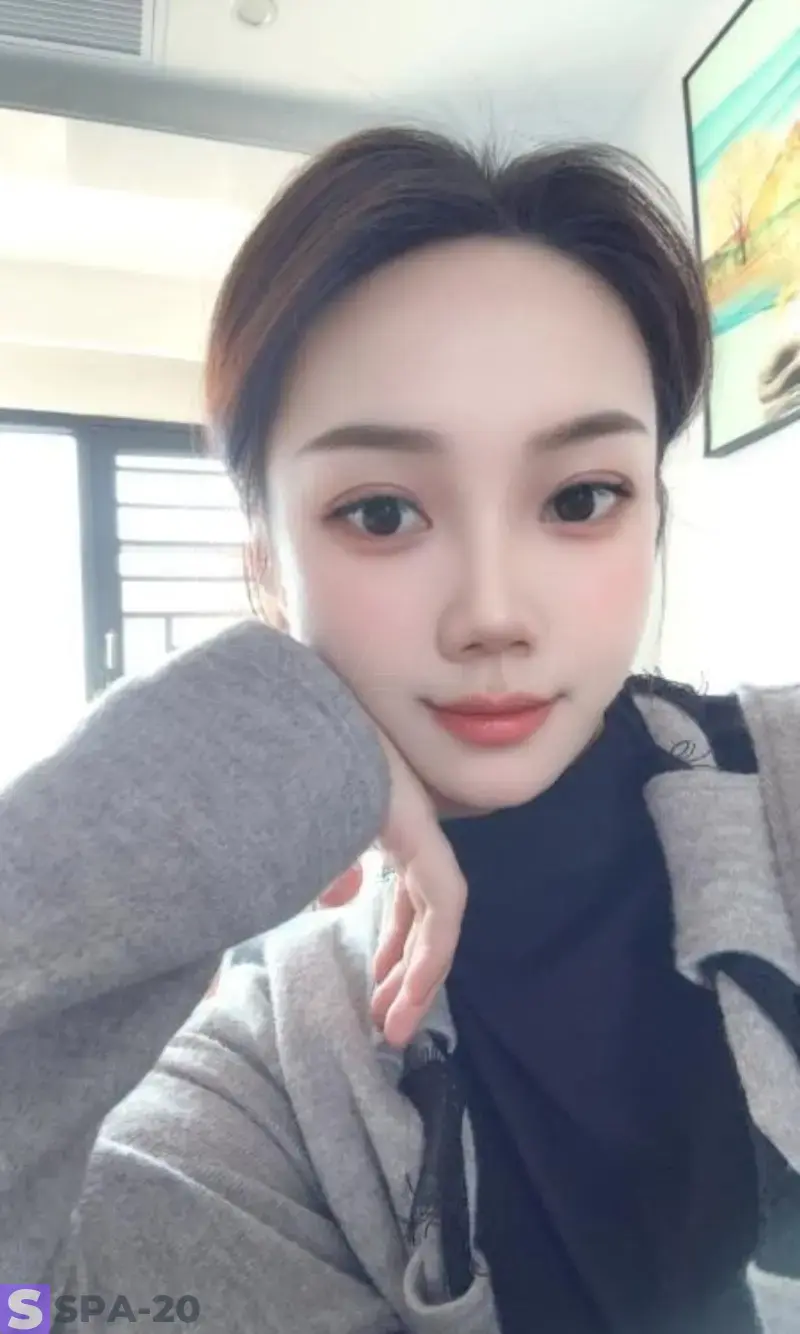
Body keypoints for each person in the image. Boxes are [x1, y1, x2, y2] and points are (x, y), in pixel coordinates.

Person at [2, 127, 800, 1334]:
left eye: (579, 496)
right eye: (380, 512)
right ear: (264, 561)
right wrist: (252, 751)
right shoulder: (272, 1082)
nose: (490, 611)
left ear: (651, 516)